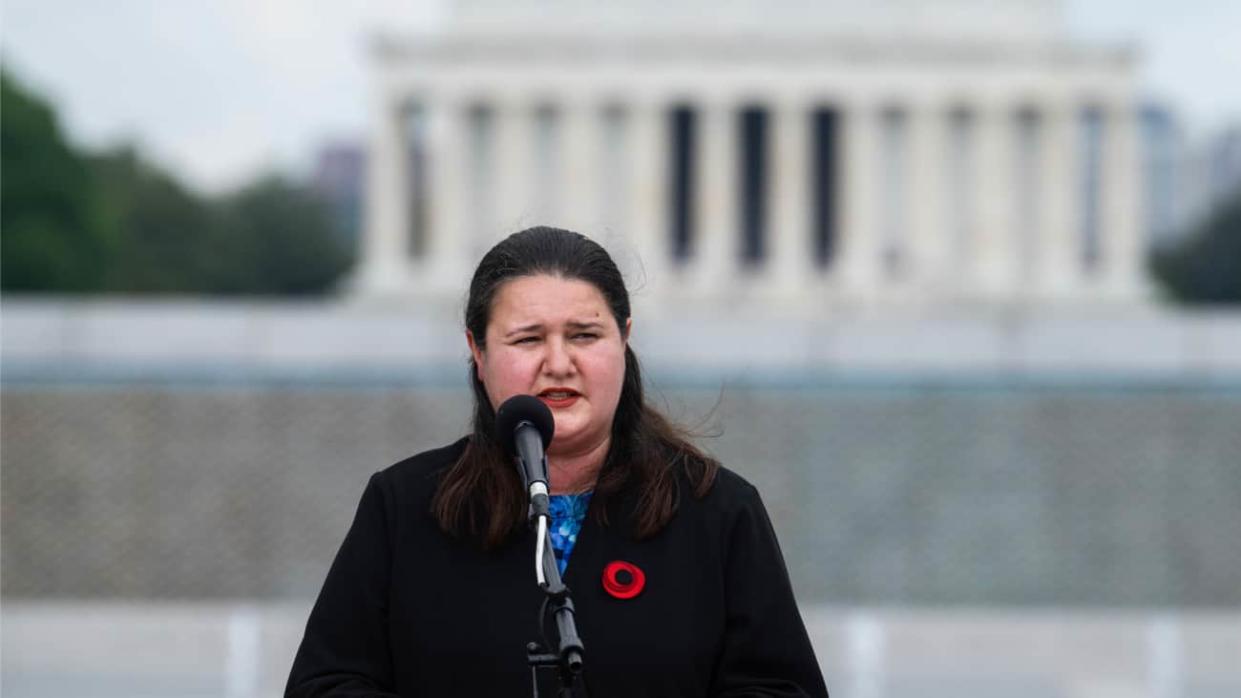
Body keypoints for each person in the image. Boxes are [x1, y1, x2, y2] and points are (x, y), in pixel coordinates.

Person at [286, 226, 828, 697]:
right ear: (478, 352)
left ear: (625, 340)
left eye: (585, 335)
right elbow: (325, 684)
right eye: (527, 339)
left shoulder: (717, 511)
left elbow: (783, 687)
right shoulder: (405, 505)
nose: (559, 363)